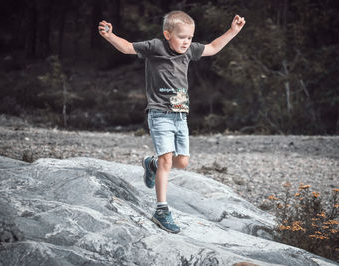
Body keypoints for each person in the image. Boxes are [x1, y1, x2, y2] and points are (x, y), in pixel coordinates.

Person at [98, 10, 245, 233]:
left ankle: (152, 165)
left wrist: (233, 31)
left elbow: (213, 47)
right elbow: (128, 47)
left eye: (190, 37)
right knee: (167, 160)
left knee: (182, 162)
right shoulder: (156, 46)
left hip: (180, 115)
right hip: (159, 113)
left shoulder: (189, 52)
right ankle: (161, 210)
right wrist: (110, 36)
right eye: (182, 37)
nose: (187, 41)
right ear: (168, 34)